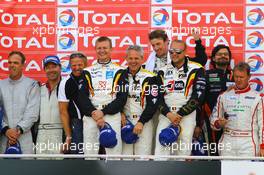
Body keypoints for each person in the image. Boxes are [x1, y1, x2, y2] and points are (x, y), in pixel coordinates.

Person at [154, 40, 206, 157]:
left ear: (185, 52)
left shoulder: (196, 69)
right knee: (161, 150)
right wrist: (168, 114)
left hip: (186, 116)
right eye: (171, 51)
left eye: (178, 51)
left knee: (183, 152)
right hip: (166, 115)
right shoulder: (162, 70)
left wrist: (180, 114)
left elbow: (198, 96)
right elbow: (157, 97)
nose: (174, 54)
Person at [82, 36, 128, 157]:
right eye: (99, 48)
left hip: (111, 115)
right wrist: (94, 113)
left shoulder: (120, 70)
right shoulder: (87, 71)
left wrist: (103, 112)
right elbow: (81, 97)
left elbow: (122, 97)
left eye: (105, 48)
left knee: (114, 153)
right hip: (91, 115)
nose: (102, 50)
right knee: (89, 154)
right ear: (95, 49)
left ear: (111, 49)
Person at [210, 62, 264, 157]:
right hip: (227, 140)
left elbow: (262, 125)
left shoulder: (258, 97)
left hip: (248, 141)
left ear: (249, 76)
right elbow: (213, 120)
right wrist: (218, 123)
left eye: (241, 77)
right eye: (236, 77)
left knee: (247, 171)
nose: (238, 80)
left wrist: (262, 146)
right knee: (226, 171)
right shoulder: (224, 96)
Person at [121, 45, 159, 156]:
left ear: (142, 59)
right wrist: (120, 113)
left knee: (143, 158)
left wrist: (141, 122)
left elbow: (153, 104)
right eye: (130, 58)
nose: (133, 61)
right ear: (126, 59)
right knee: (125, 158)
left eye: (136, 58)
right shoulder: (120, 75)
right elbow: (115, 98)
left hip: (144, 122)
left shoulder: (151, 77)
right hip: (125, 123)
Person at [0, 51, 40, 154]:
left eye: (16, 63)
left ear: (23, 65)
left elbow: (32, 112)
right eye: (10, 62)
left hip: (24, 137)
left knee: (26, 169)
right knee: (4, 169)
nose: (12, 65)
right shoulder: (1, 85)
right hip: (4, 137)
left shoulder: (32, 85)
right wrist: (6, 130)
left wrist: (18, 130)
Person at [58, 52, 96, 154]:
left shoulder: (94, 78)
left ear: (86, 64)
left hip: (96, 120)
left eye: (80, 65)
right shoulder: (65, 82)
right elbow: (63, 111)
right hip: (77, 124)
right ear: (70, 66)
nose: (77, 68)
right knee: (77, 156)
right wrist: (69, 136)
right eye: (74, 65)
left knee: (95, 154)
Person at [200, 44, 234, 155]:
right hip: (211, 121)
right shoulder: (206, 75)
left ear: (229, 58)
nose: (223, 56)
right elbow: (199, 101)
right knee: (212, 153)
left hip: (233, 122)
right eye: (219, 54)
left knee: (231, 151)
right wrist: (198, 124)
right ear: (213, 58)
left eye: (226, 54)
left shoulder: (236, 75)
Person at [36, 55, 63, 155]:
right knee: (41, 167)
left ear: (60, 67)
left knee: (59, 167)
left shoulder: (66, 86)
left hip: (60, 132)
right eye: (48, 67)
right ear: (44, 69)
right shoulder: (39, 89)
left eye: (54, 66)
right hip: (41, 132)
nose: (51, 70)